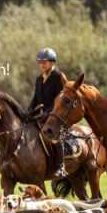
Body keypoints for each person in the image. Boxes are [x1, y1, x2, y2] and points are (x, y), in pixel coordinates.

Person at [28, 47, 68, 177]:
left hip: (57, 114)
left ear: (52, 62)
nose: (41, 64)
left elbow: (60, 99)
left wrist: (49, 112)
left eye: (44, 62)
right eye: (40, 62)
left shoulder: (58, 77)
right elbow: (35, 98)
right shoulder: (39, 79)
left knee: (55, 136)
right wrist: (28, 112)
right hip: (43, 114)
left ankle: (61, 166)